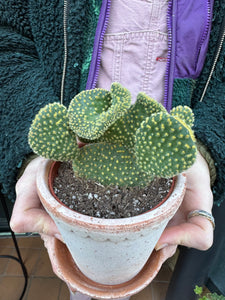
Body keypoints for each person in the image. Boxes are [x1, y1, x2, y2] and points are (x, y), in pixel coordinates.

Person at [1, 0, 224, 299]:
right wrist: (32, 153)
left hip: (166, 169)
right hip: (78, 176)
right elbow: (9, 40)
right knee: (85, 286)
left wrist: (202, 149)